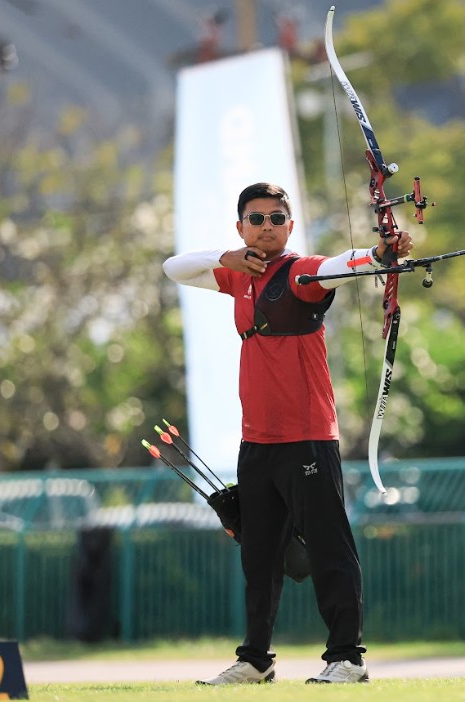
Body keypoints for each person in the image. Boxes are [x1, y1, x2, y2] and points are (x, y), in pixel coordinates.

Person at [163, 182, 413, 684]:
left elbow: (338, 266)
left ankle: (347, 658)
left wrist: (379, 254)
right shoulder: (237, 276)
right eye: (256, 219)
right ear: (240, 227)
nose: (267, 227)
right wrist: (227, 258)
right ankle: (256, 660)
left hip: (307, 437)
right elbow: (175, 267)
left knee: (327, 547)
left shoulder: (300, 273)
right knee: (258, 556)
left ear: (290, 226)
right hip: (257, 441)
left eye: (277, 218)